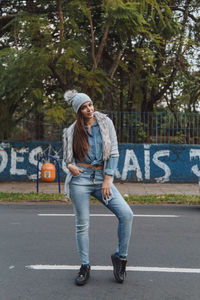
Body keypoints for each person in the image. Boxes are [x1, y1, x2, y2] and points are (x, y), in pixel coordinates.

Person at [63, 90, 133, 286]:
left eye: (90, 104)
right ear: (78, 111)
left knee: (126, 214)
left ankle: (120, 258)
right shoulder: (71, 131)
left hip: (103, 177)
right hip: (81, 180)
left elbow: (114, 152)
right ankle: (85, 266)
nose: (89, 109)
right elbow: (66, 160)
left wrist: (108, 179)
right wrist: (69, 166)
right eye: (84, 107)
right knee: (82, 224)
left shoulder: (105, 123)